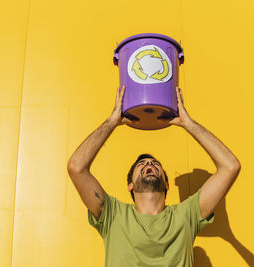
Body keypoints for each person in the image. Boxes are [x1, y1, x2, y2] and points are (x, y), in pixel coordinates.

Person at [67, 85, 241, 267]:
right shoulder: (113, 215)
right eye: (141, 164)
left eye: (155, 164)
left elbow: (230, 167)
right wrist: (111, 121)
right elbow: (76, 167)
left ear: (166, 184)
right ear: (130, 186)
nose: (149, 164)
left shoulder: (186, 216)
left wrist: (188, 124)